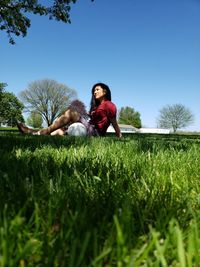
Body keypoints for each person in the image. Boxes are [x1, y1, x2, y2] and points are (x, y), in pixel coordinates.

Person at [17, 82, 122, 138]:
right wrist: (89, 114)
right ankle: (33, 132)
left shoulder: (109, 105)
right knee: (58, 131)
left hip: (96, 133)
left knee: (70, 112)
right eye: (94, 90)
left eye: (97, 89)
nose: (94, 92)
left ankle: (43, 132)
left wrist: (120, 136)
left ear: (105, 92)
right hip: (89, 129)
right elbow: (97, 118)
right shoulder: (98, 106)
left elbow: (114, 122)